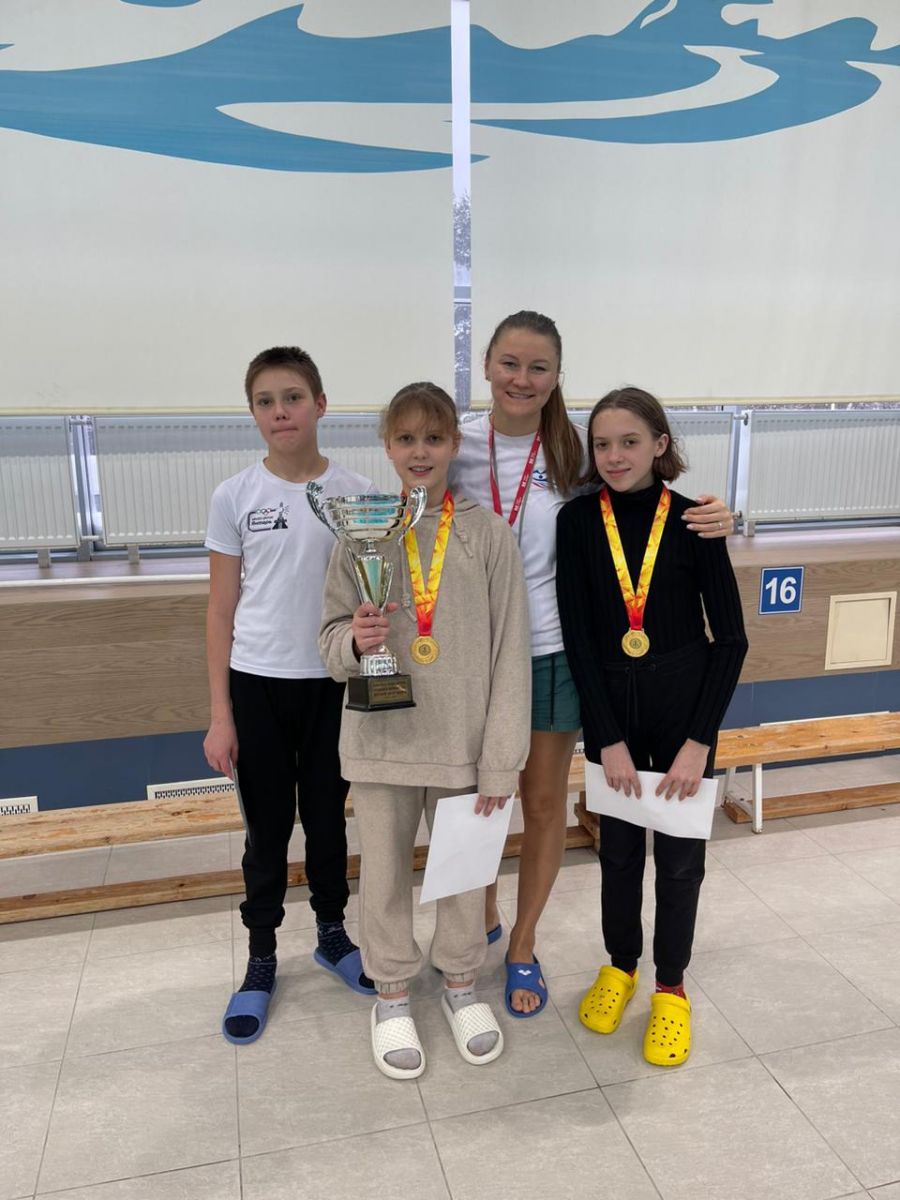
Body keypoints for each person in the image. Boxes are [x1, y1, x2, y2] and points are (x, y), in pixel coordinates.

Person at [450, 310, 735, 1017]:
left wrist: (722, 515)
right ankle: (476, 924)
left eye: (538, 367)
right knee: (474, 807)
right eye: (510, 363)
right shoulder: (451, 445)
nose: (522, 378)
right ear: (486, 365)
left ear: (556, 377)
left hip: (552, 651)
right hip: (470, 658)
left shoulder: (576, 452)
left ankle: (523, 945)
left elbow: (644, 504)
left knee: (544, 805)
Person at [319, 381, 531, 1079]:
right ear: (387, 446)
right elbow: (328, 642)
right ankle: (390, 995)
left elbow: (510, 652)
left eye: (433, 438)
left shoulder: (487, 534)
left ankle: (462, 986)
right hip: (382, 743)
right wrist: (355, 640)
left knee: (464, 878)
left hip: (465, 747)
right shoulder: (359, 530)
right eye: (406, 438)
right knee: (382, 877)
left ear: (454, 445)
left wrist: (501, 759)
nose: (420, 451)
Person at [556, 386, 748, 1066]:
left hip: (683, 716)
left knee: (680, 861)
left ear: (660, 444)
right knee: (616, 853)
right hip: (613, 714)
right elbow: (578, 639)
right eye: (602, 444)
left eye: (630, 442)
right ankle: (621, 964)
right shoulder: (578, 522)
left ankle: (671, 986)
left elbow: (730, 640)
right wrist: (604, 738)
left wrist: (699, 743)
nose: (614, 456)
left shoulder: (695, 520)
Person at [203, 345, 376, 1047]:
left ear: (320, 404)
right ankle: (261, 958)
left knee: (329, 823)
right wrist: (220, 715)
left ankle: (332, 935)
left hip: (333, 683)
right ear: (253, 413)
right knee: (268, 831)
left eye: (294, 397)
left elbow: (372, 599)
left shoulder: (359, 492)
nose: (281, 412)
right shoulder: (235, 496)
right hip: (257, 686)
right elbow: (220, 610)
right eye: (266, 401)